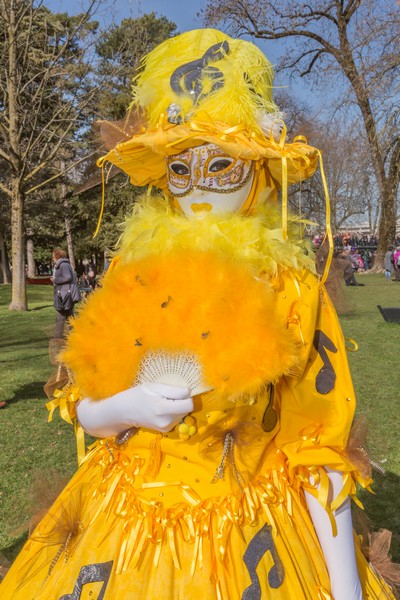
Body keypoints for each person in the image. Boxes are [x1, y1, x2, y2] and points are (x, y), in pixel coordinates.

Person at [1, 29, 396, 599]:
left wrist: (345, 588)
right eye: (181, 169)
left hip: (248, 542)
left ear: (259, 170)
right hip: (120, 531)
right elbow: (86, 409)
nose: (199, 188)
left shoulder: (291, 290)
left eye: (222, 165)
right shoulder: (132, 275)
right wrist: (122, 406)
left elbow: (319, 448)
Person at [52, 248, 81, 338]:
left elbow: (67, 277)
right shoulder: (63, 264)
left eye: (53, 256)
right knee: (68, 314)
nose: (52, 258)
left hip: (66, 294)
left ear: (57, 256)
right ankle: (76, 333)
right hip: (65, 293)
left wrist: (55, 280)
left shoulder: (63, 265)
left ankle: (58, 336)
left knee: (62, 313)